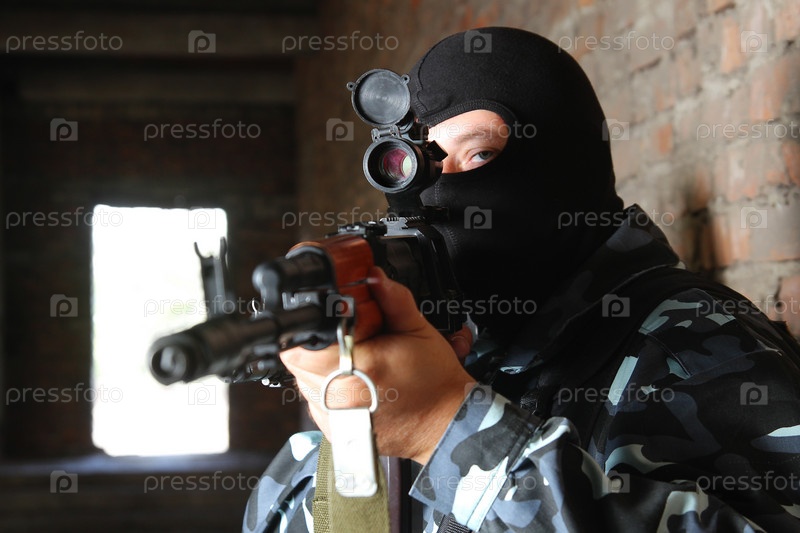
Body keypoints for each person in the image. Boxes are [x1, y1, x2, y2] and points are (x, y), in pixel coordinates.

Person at [243, 27, 800, 532]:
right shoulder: (454, 346)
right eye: (417, 167)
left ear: (568, 162)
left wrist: (442, 428)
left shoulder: (696, 348)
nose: (438, 193)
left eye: (479, 154)